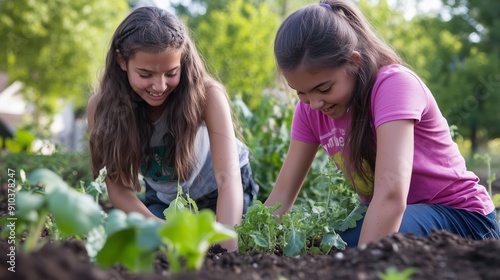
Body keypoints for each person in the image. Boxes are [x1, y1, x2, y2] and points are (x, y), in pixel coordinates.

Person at [264, 0, 500, 248]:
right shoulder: (310, 110)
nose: (313, 103)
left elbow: (390, 194)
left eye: (324, 88)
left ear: (354, 62)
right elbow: (281, 196)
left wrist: (363, 265)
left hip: (464, 219)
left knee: (346, 247)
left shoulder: (393, 86)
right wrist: (245, 245)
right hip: (403, 214)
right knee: (322, 244)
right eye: (300, 92)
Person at [87, 6, 258, 251]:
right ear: (121, 61)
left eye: (171, 73)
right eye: (145, 74)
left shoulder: (207, 95)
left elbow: (227, 178)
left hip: (222, 194)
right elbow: (117, 188)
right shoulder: (101, 107)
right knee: (151, 249)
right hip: (168, 201)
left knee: (216, 247)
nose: (159, 86)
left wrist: (227, 250)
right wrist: (161, 229)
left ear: (182, 60)